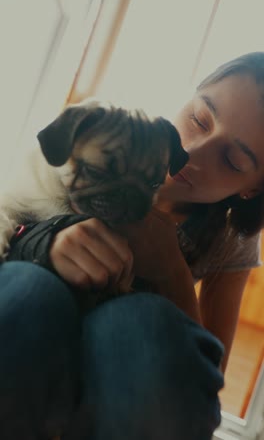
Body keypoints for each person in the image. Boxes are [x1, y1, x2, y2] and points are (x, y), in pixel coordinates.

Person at [1, 51, 264, 439]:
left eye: (232, 160)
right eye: (199, 118)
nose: (193, 153)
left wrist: (171, 266)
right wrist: (44, 239)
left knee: (142, 326)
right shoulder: (109, 132)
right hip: (36, 331)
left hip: (120, 376)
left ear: (252, 189)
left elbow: (209, 370)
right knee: (30, 291)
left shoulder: (230, 241)